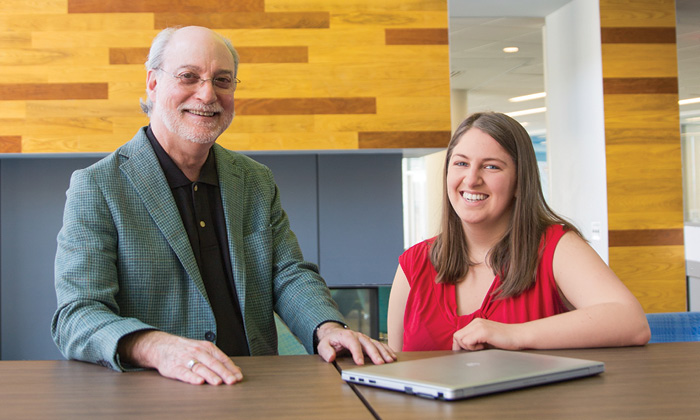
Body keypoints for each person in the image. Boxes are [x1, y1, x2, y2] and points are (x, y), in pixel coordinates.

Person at [51, 26, 395, 386]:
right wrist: (156, 347)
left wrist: (327, 327)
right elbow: (77, 315)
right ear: (153, 83)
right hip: (153, 398)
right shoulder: (97, 186)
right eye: (189, 76)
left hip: (254, 389)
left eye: (222, 80)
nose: (207, 94)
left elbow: (289, 274)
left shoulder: (255, 180)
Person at [387, 112, 651, 352]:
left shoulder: (555, 247)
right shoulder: (414, 264)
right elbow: (396, 371)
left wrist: (514, 335)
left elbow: (631, 321)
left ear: (519, 182)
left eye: (491, 166)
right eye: (461, 163)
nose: (471, 179)